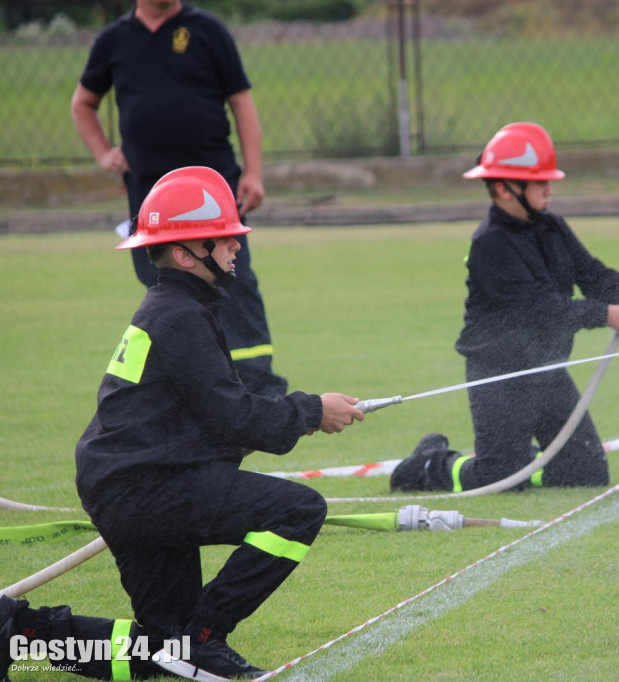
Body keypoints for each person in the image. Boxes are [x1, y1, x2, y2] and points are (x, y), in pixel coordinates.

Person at [1, 167, 365, 681]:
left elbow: (218, 415)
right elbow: (233, 416)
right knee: (298, 510)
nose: (238, 245)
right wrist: (311, 410)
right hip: (148, 487)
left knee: (159, 649)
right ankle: (205, 638)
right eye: (226, 237)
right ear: (185, 251)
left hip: (132, 483)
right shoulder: (180, 317)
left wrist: (303, 413)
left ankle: (19, 636)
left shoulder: (176, 307)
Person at [390, 122, 619, 494]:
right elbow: (540, 310)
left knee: (585, 472)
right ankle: (430, 463)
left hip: (547, 368)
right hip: (501, 374)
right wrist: (608, 315)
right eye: (539, 181)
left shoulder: (552, 226)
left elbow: (593, 276)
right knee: (499, 480)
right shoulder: (489, 244)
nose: (549, 188)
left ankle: (520, 461)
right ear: (504, 189)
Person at [70, 0, 287, 398]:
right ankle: (187, 384)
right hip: (148, 196)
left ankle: (256, 387)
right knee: (163, 286)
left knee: (231, 280)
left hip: (213, 192)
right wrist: (104, 152)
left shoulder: (208, 30)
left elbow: (242, 102)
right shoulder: (114, 40)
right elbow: (82, 103)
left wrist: (254, 173)